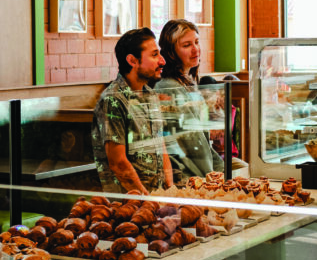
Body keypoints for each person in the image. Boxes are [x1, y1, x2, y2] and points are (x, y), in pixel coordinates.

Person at [92, 27, 173, 194]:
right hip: (129, 205)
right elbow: (118, 163)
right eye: (154, 55)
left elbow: (160, 146)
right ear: (132, 61)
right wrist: (147, 201)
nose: (162, 61)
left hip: (157, 199)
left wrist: (171, 191)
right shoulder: (113, 99)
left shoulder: (150, 94)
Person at [154, 19, 223, 182]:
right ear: (171, 52)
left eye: (197, 42)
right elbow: (192, 144)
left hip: (202, 166)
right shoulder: (168, 87)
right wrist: (214, 177)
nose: (195, 50)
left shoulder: (188, 82)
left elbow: (203, 141)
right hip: (185, 174)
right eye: (186, 45)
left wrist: (220, 169)